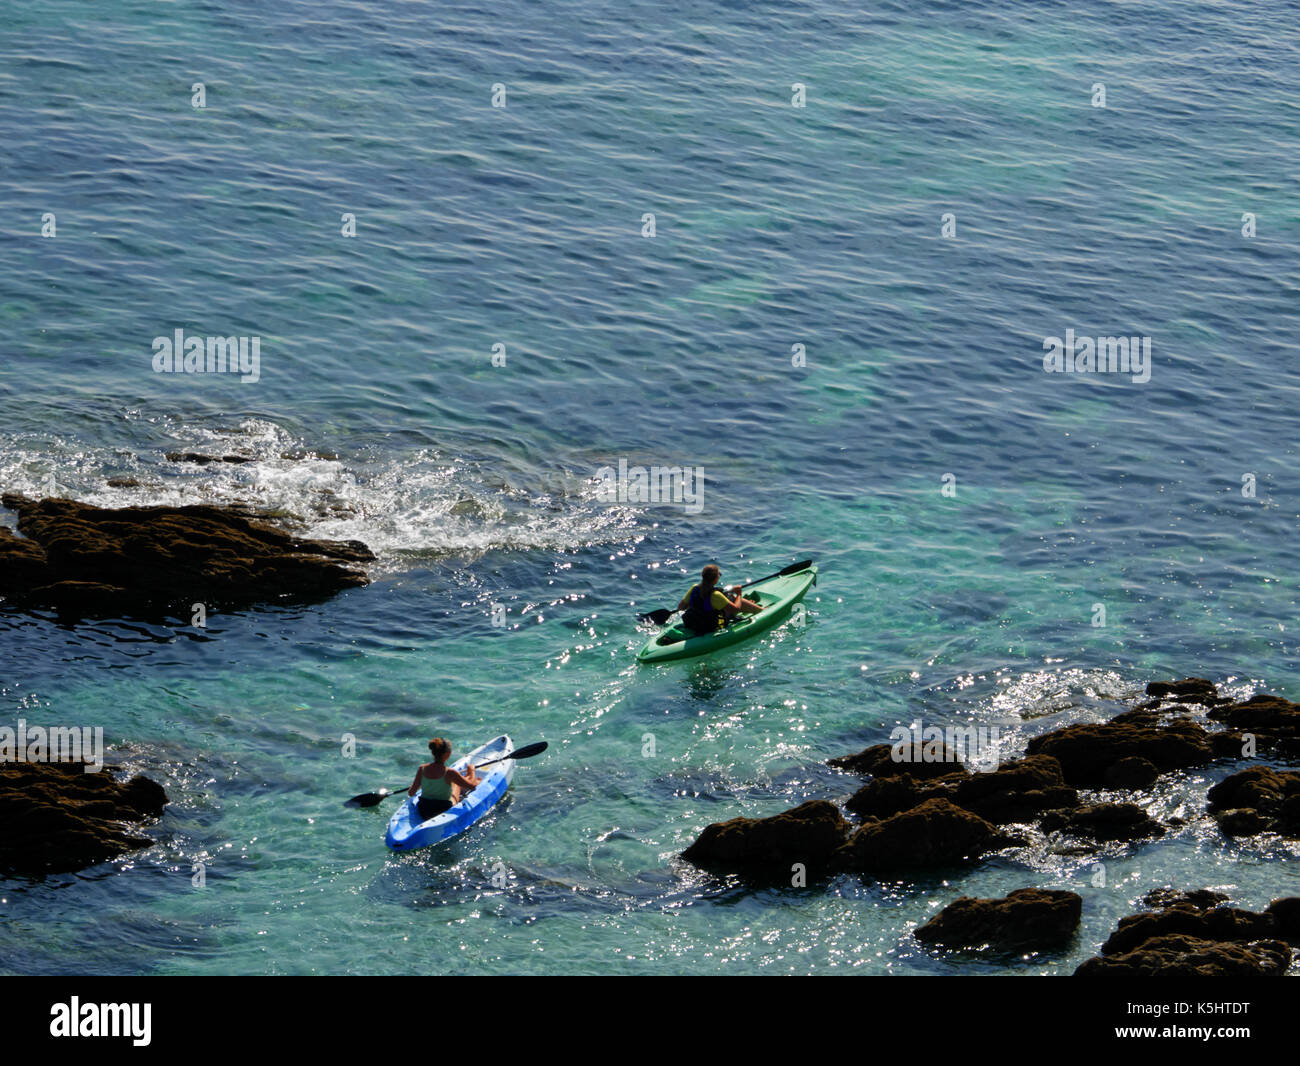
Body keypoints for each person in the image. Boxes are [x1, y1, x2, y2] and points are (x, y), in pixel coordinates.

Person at [677, 564, 763, 635]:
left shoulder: (694, 588)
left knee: (725, 597)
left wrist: (697, 602)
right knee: (732, 597)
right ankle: (760, 610)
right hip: (710, 626)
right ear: (716, 579)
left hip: (694, 623)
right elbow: (735, 609)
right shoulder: (715, 595)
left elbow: (681, 607)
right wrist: (739, 594)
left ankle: (749, 604)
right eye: (719, 574)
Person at [409, 737, 480, 821]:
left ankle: (465, 778)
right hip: (443, 810)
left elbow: (411, 793)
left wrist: (427, 784)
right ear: (447, 754)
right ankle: (468, 776)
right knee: (458, 783)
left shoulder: (422, 769)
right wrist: (471, 770)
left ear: (433, 753)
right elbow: (472, 786)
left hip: (424, 810)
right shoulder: (450, 772)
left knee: (453, 782)